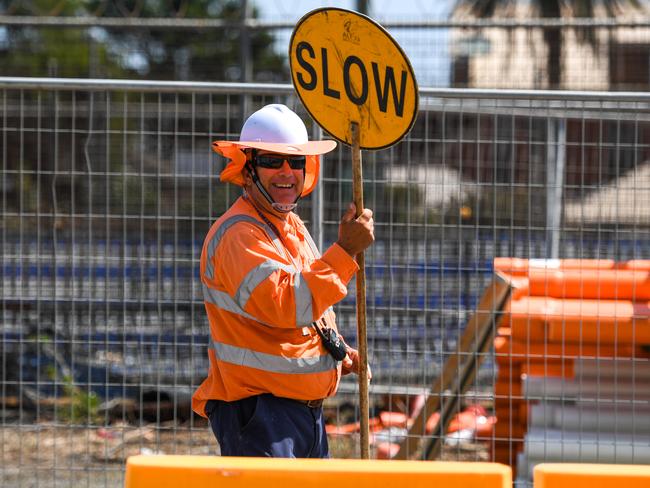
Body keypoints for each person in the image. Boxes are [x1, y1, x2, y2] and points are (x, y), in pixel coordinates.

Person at [192, 103, 374, 458]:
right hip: (259, 414)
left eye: (296, 161)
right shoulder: (239, 234)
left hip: (301, 413)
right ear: (248, 168)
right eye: (273, 161)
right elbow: (288, 305)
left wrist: (337, 352)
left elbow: (311, 314)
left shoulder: (289, 226)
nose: (287, 171)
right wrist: (345, 250)